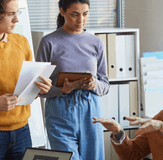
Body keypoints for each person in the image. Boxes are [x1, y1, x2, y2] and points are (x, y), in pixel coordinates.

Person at [36, 0, 109, 159]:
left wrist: (94, 85)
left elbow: (105, 85)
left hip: (91, 111)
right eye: (74, 14)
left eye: (85, 14)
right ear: (62, 12)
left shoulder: (96, 43)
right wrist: (62, 90)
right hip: (60, 112)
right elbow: (38, 89)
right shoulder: (49, 42)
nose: (81, 20)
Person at [0, 0, 52, 159]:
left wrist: (39, 89)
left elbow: (27, 89)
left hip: (22, 130)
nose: (16, 20)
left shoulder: (21, 41)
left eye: (17, 13)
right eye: (10, 14)